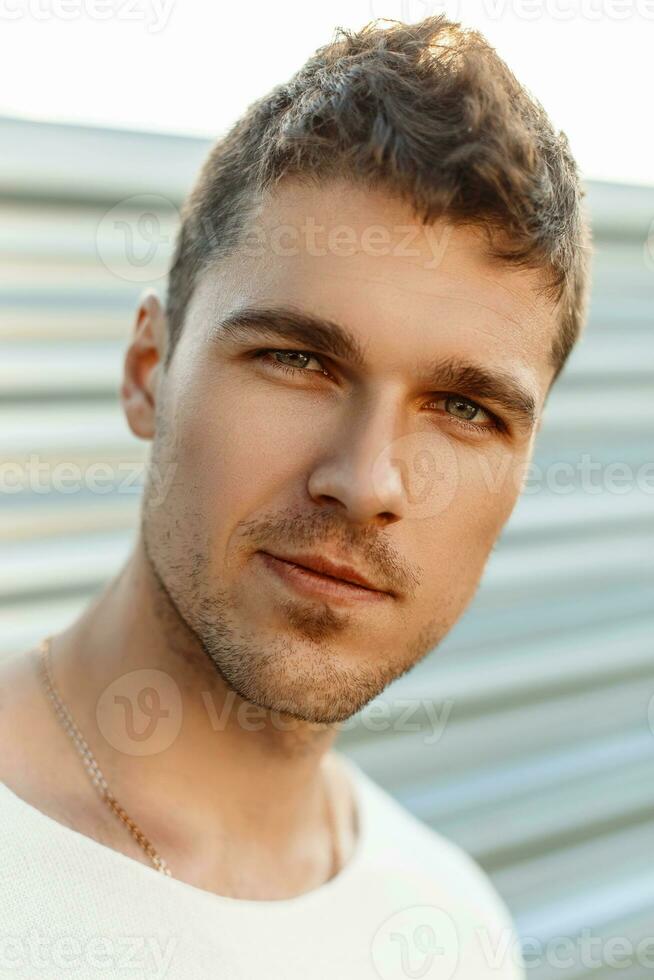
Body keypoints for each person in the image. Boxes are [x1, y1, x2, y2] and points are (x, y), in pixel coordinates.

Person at [0, 13, 591, 979]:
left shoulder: (452, 929)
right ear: (150, 369)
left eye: (465, 409)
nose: (365, 482)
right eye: (297, 358)